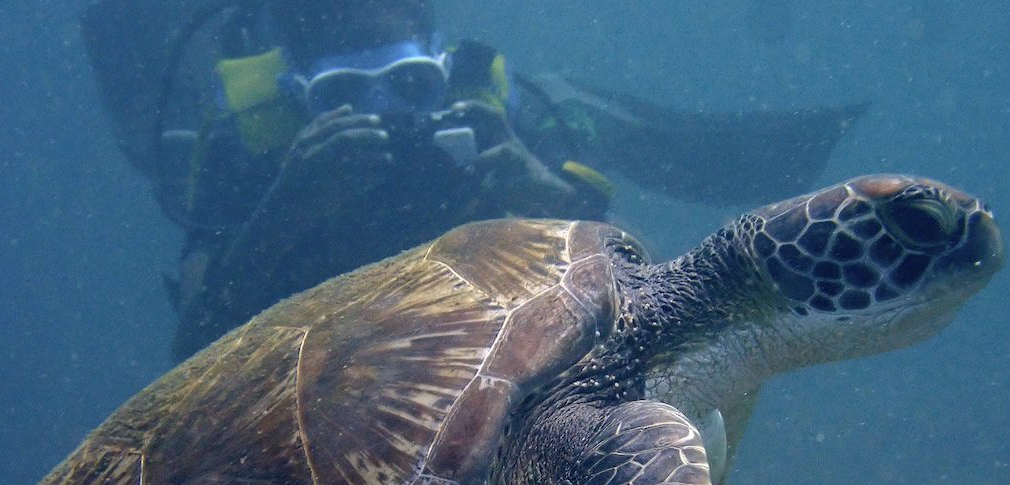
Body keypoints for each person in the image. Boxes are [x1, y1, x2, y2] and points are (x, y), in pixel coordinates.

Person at [83, 0, 864, 360]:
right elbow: (193, 349)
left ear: (435, 59)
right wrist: (284, 207)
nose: (387, 112)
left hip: (473, 353)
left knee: (567, 109)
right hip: (318, 371)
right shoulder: (252, 148)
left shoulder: (482, 103)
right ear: (300, 93)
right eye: (346, 95)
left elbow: (632, 277)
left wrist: (547, 194)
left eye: (410, 83)